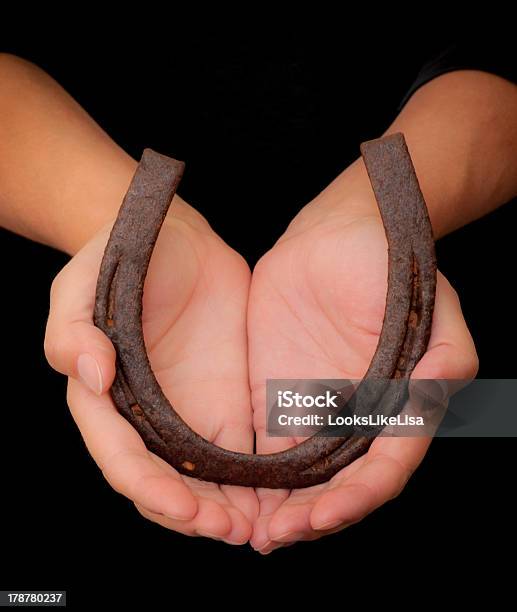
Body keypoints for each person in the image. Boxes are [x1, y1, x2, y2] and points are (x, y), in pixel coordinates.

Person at [0, 49, 515, 554]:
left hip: (430, 372)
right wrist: (111, 222)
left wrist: (381, 222)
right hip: (101, 359)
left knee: (446, 406)